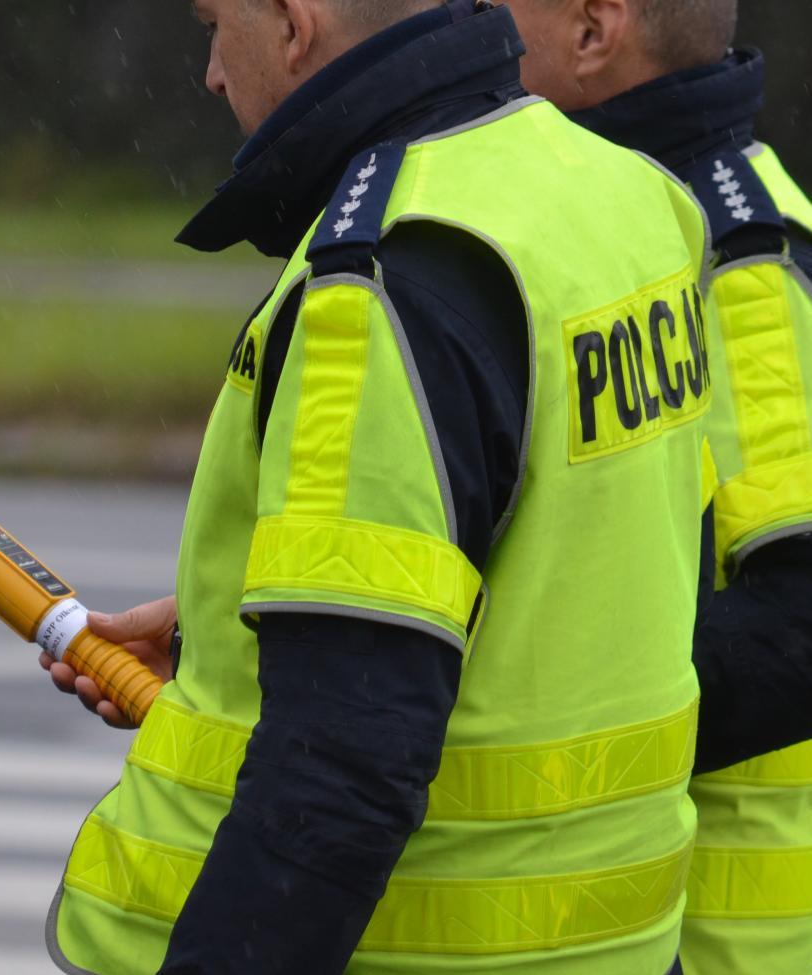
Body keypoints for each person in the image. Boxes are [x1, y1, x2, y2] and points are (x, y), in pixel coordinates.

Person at [40, 1, 714, 972]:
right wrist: (246, 630)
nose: (212, 73)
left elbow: (338, 774)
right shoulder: (628, 193)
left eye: (214, 26)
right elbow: (586, 566)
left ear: (292, 23)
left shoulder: (379, 276)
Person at [493, 2, 812, 972]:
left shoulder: (741, 263)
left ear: (594, 33)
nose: (468, 18)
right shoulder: (634, 220)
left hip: (732, 942)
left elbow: (798, 631)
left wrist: (464, 705)